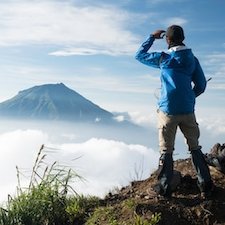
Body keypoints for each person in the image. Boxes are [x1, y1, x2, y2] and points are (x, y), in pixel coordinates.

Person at [135, 25, 213, 198]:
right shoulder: (192, 59)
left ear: (167, 40)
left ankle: (164, 189)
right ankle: (206, 186)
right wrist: (190, 97)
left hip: (167, 110)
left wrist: (151, 37)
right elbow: (201, 85)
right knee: (195, 147)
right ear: (183, 38)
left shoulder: (164, 58)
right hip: (187, 110)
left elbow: (139, 56)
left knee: (166, 150)